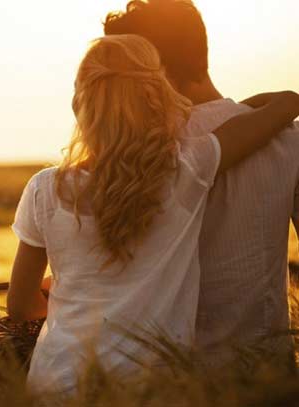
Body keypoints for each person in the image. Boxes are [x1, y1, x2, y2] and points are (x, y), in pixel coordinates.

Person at [6, 33, 299, 394]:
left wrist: (78, 307)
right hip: (149, 389)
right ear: (158, 100)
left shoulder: (44, 189)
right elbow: (258, 119)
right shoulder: (187, 171)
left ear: (77, 104)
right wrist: (289, 99)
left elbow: (20, 307)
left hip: (56, 385)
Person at [102, 0, 299, 367]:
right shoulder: (289, 139)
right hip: (267, 373)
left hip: (161, 376)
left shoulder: (138, 154)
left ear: (149, 69)